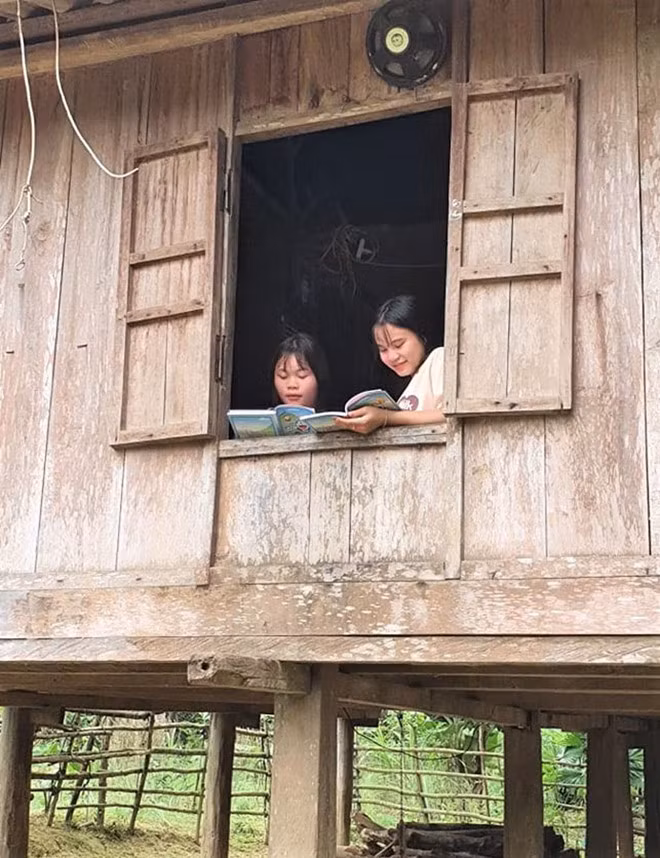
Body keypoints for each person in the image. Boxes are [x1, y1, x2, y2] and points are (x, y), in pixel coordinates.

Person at [336, 295, 445, 435]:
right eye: (383, 349)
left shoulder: (439, 357)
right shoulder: (408, 387)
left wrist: (386, 417)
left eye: (398, 344)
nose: (392, 357)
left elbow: (451, 414)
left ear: (422, 335)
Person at [272, 332, 330, 410]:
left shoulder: (336, 417)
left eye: (302, 376)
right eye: (283, 376)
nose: (292, 385)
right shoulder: (264, 417)